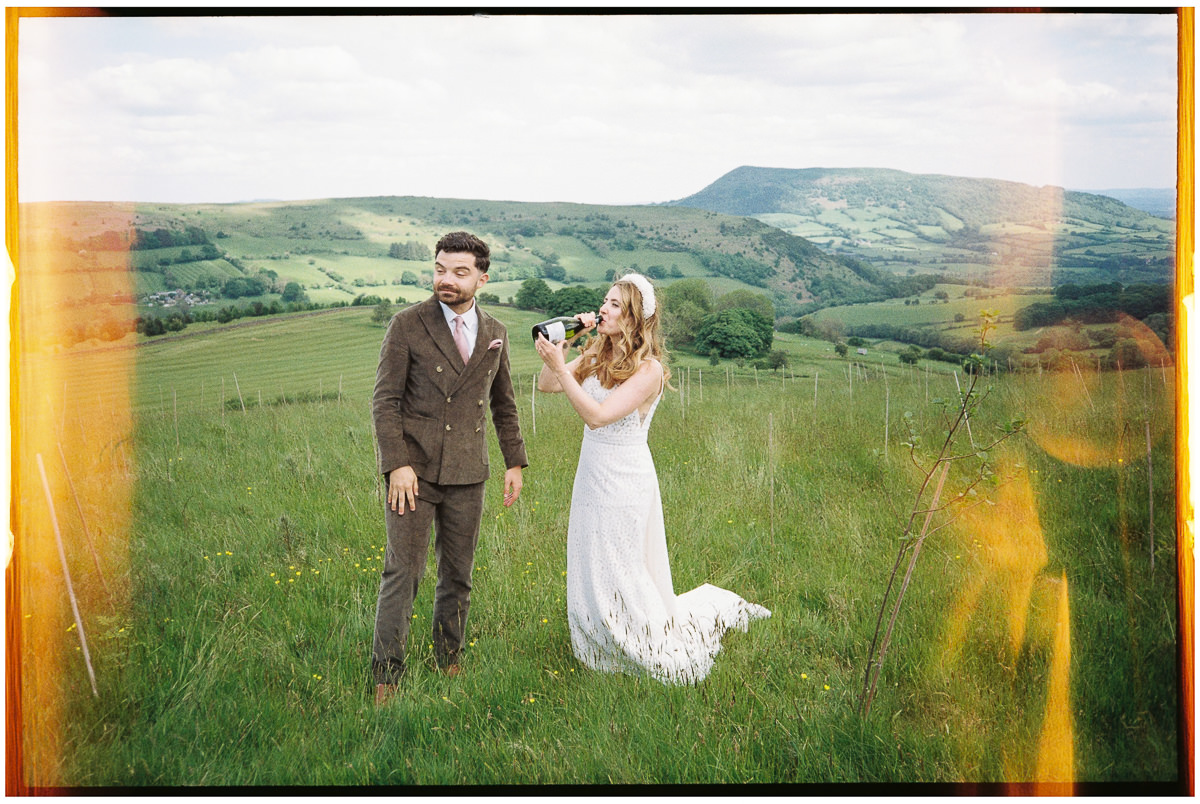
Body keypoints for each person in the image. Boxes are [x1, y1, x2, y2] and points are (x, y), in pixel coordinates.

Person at [534, 273, 770, 685]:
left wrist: (562, 368)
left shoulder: (649, 370)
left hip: (625, 479)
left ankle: (637, 635)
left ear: (634, 318)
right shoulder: (596, 353)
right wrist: (566, 348)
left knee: (621, 562)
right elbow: (547, 384)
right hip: (591, 474)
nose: (603, 309)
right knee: (592, 557)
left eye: (614, 305)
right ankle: (596, 634)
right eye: (603, 301)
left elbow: (598, 416)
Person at [371, 231, 527, 705]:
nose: (446, 279)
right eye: (440, 269)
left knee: (458, 574)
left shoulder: (496, 332)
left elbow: (504, 405)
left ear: (482, 277)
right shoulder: (407, 325)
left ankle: (449, 659)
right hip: (412, 476)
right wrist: (397, 464)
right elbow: (385, 402)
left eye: (459, 272)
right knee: (404, 573)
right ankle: (386, 678)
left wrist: (514, 461)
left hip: (467, 473)